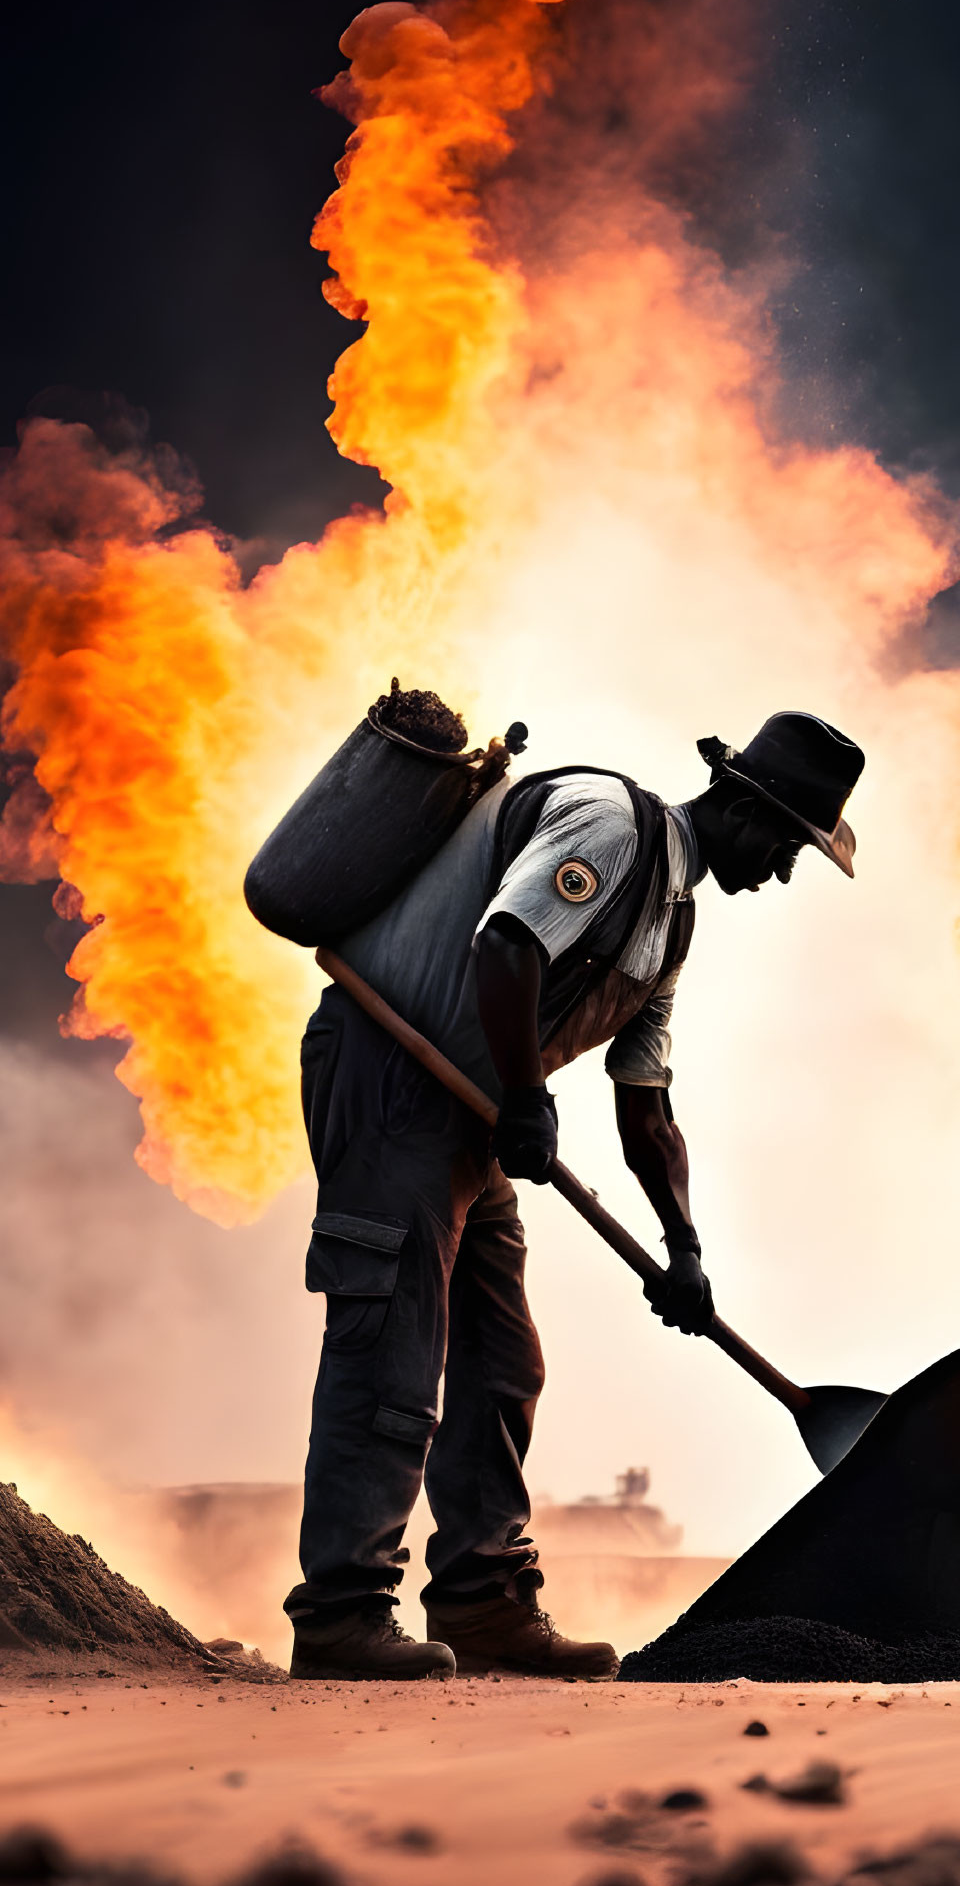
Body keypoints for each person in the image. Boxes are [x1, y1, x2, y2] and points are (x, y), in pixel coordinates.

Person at [286, 711, 865, 1681]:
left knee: (504, 1363)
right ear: (747, 811)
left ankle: (482, 1600)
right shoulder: (608, 825)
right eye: (789, 849)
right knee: (391, 1348)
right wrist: (525, 1095)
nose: (780, 873)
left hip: (471, 1119)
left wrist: (683, 1250)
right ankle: (341, 1613)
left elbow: (648, 1106)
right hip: (390, 1076)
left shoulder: (671, 926)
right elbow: (506, 944)